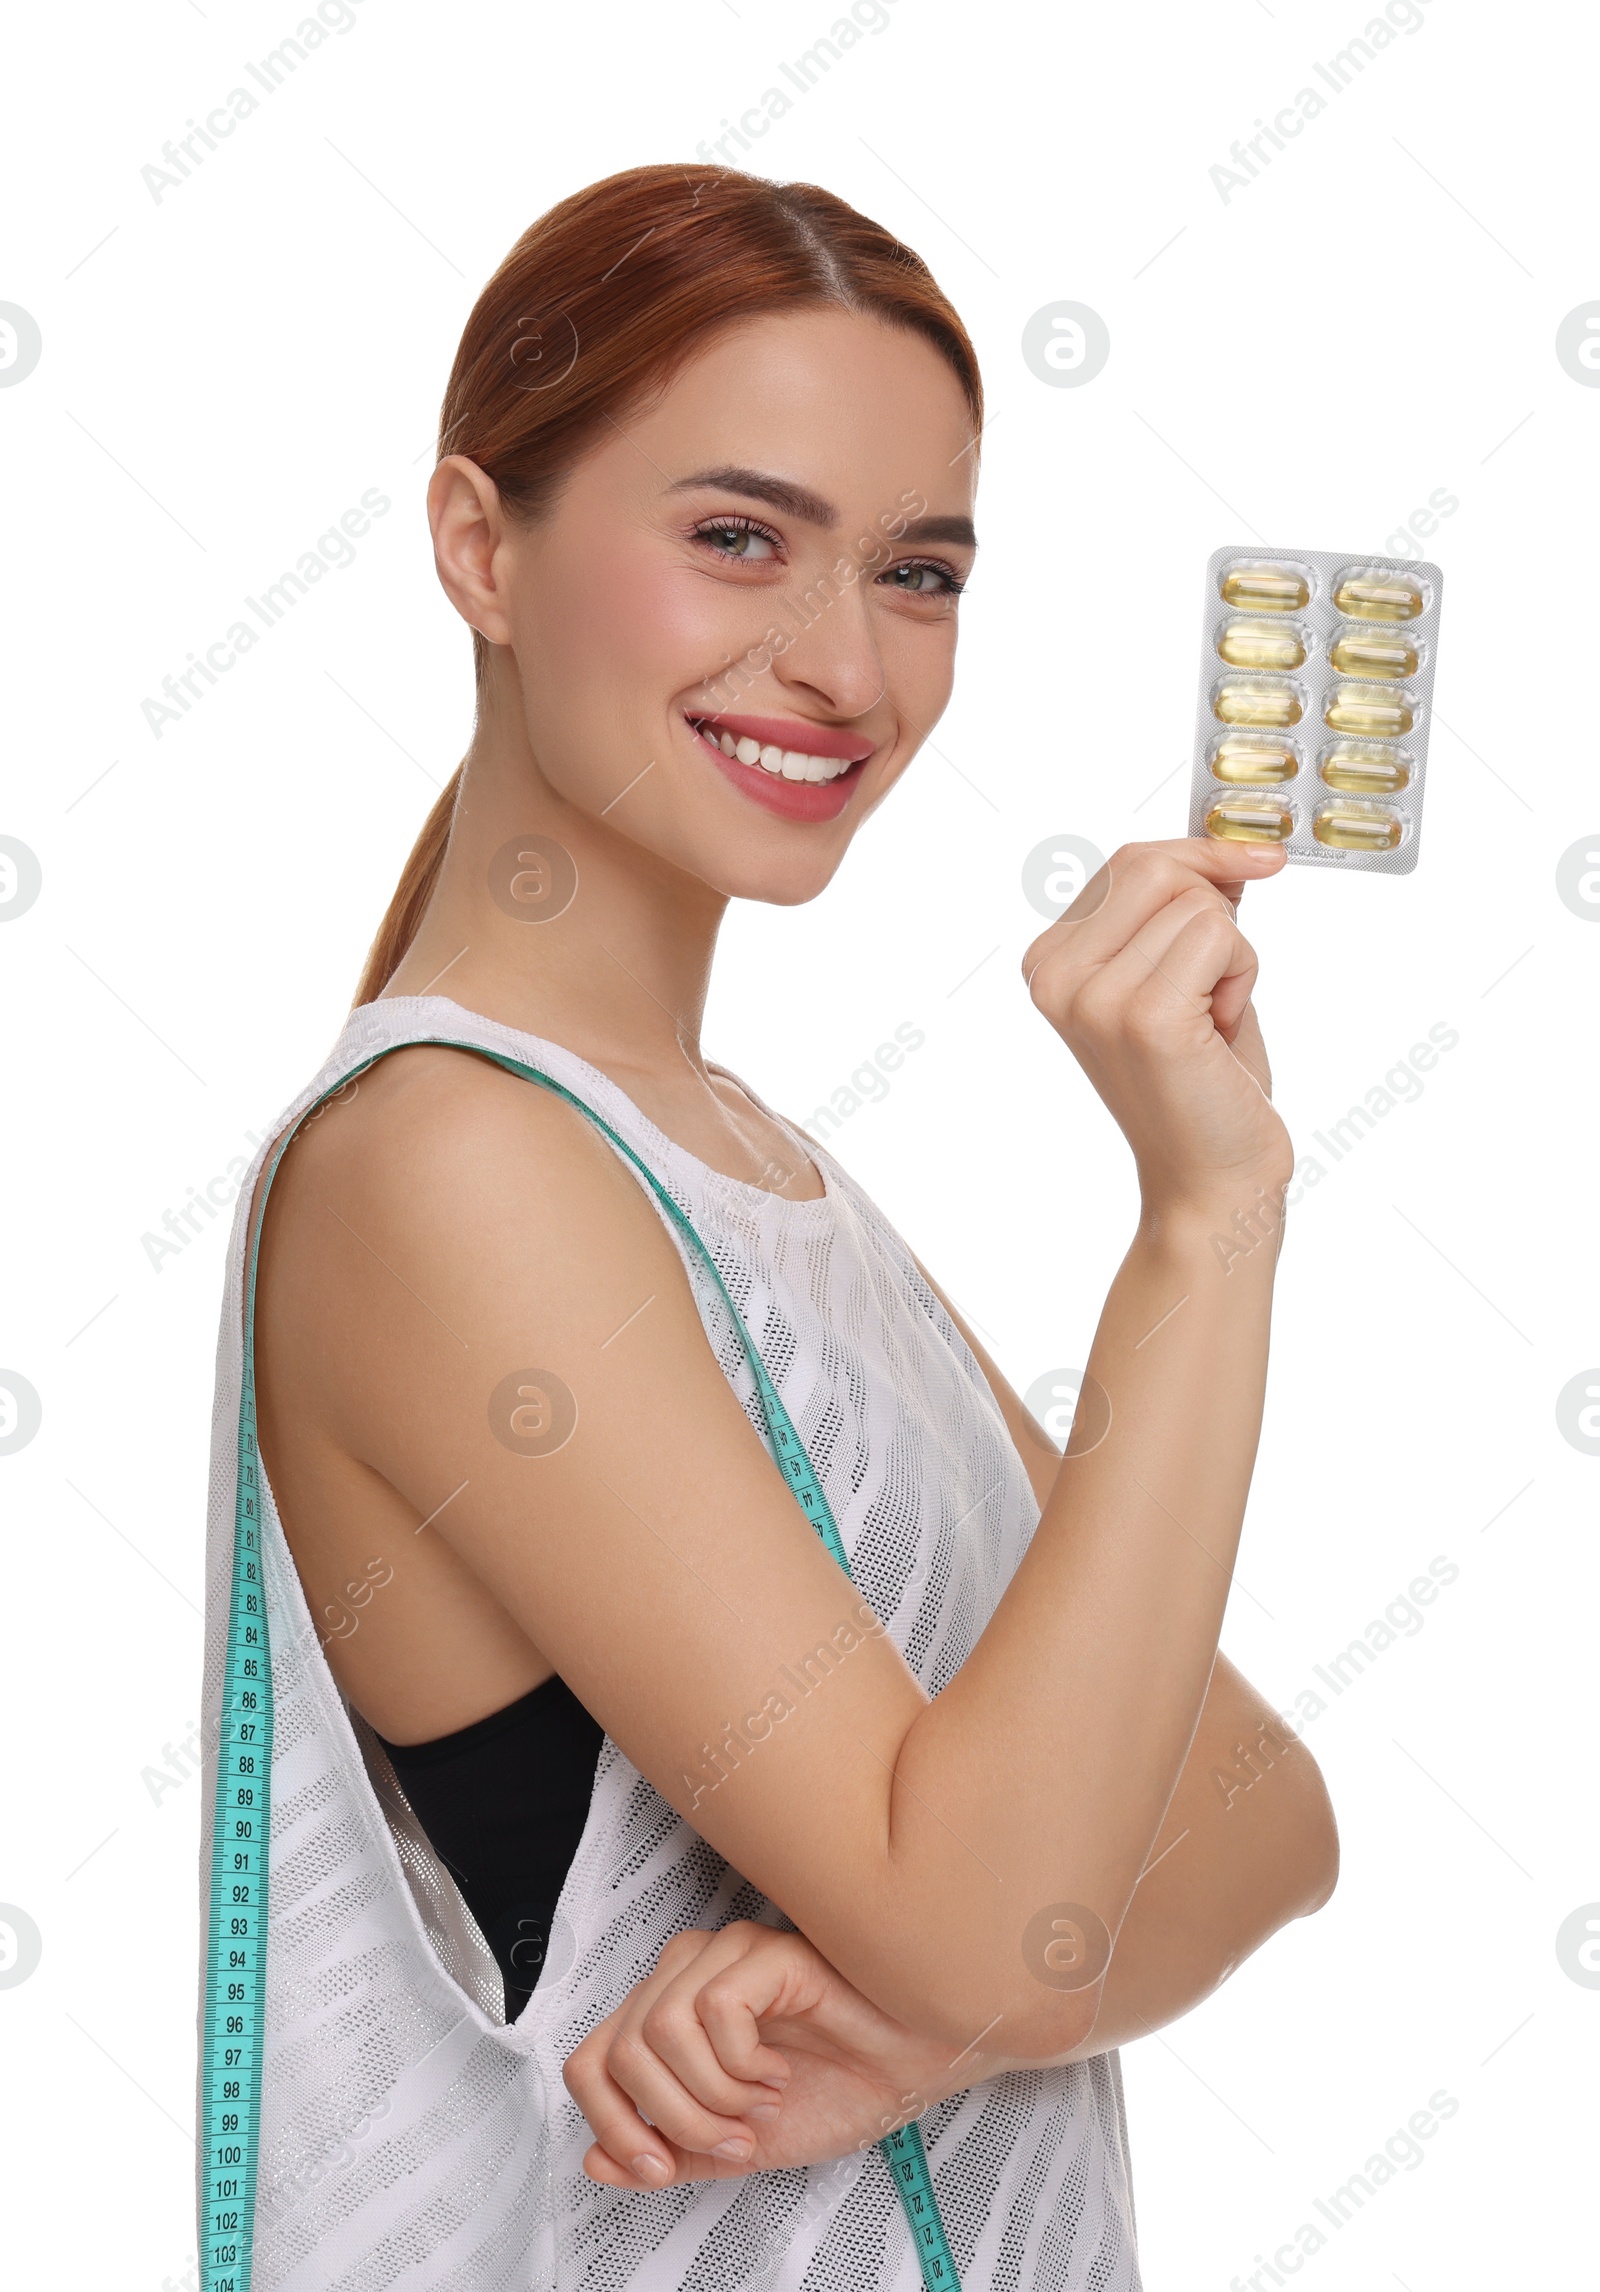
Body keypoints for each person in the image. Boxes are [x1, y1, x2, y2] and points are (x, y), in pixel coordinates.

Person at [200, 161, 1338, 2291]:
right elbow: (1022, 1911)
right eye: (737, 538)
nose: (841, 665)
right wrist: (1203, 1219)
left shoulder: (747, 1178)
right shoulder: (451, 1168)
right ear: (481, 548)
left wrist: (917, 2020)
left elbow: (1267, 1818)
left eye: (916, 573)